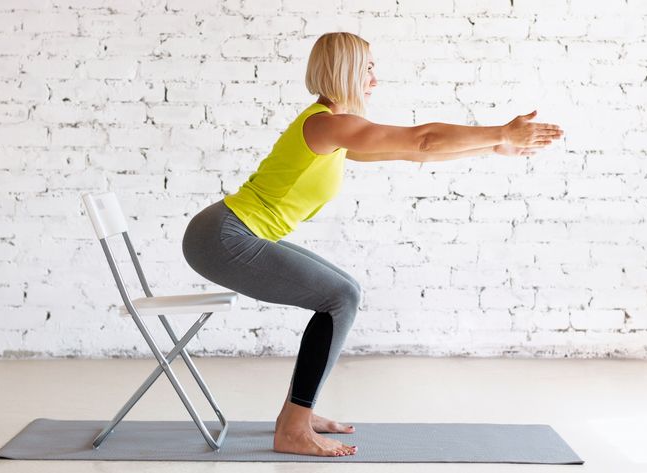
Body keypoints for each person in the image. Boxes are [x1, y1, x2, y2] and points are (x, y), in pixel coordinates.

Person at [182, 32, 564, 457]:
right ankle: (292, 427)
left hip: (231, 231)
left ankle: (297, 415)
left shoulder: (334, 128)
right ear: (344, 69)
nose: (374, 79)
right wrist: (500, 129)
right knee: (340, 296)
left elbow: (415, 152)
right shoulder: (327, 123)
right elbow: (422, 139)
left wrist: (496, 146)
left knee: (344, 291)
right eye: (367, 68)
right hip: (222, 237)